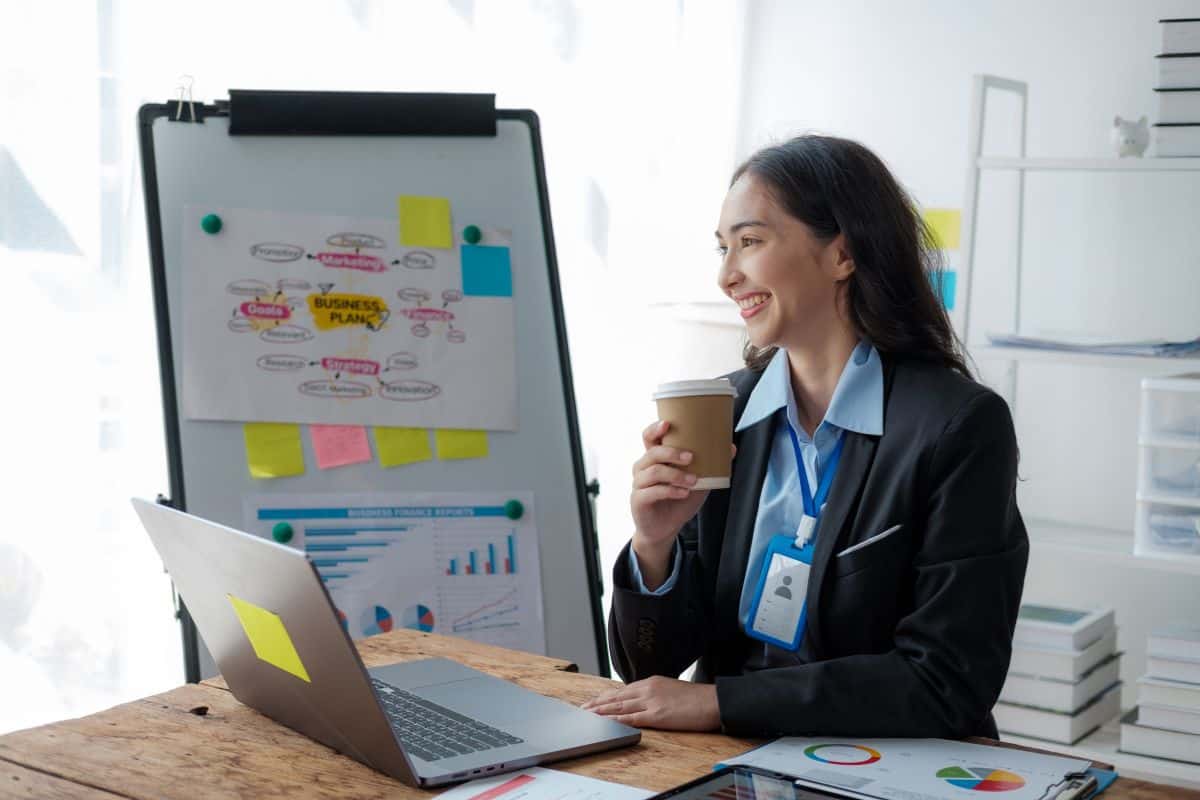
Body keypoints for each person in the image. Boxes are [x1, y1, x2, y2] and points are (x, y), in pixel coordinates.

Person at [582, 135, 1028, 739]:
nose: (726, 274)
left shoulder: (958, 426)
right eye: (722, 248)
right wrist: (654, 544)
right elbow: (647, 672)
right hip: (732, 761)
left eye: (750, 241)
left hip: (883, 766)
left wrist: (721, 704)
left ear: (842, 254)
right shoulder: (725, 411)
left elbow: (947, 680)